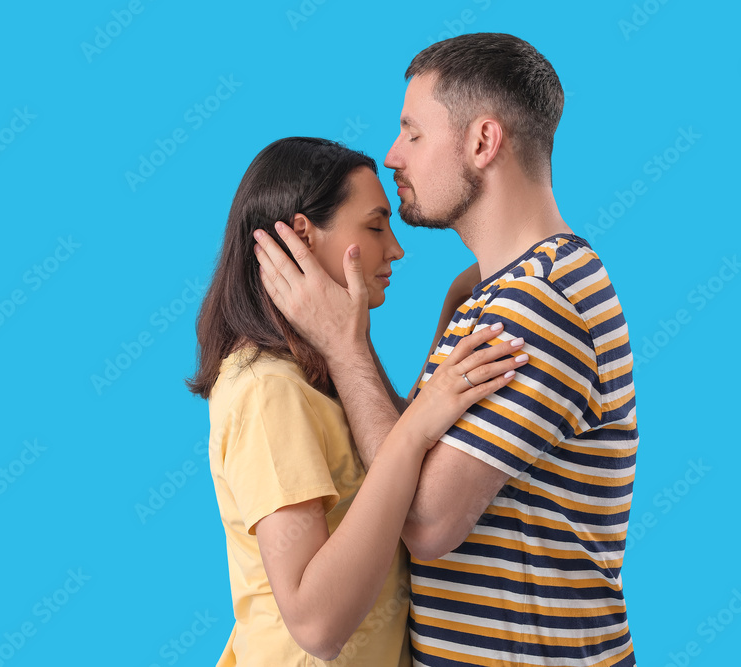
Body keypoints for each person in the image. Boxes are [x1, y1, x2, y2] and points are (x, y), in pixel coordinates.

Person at [254, 34, 638, 666]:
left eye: (413, 132)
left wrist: (347, 349)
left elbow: (427, 522)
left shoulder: (536, 302)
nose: (393, 155)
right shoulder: (486, 293)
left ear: (482, 142)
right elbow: (413, 442)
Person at [188, 136, 528, 665]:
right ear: (303, 236)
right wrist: (416, 427)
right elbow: (317, 624)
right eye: (374, 227)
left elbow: (382, 452)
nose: (394, 249)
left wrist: (454, 312)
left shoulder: (319, 368)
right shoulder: (268, 390)